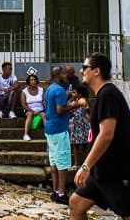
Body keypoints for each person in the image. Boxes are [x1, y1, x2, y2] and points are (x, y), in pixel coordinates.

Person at [70, 53, 130, 220]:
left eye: (85, 68)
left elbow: (106, 134)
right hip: (101, 171)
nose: (81, 71)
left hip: (118, 170)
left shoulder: (108, 94)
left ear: (96, 71)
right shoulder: (102, 95)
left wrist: (85, 166)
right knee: (76, 203)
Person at [44, 66, 71, 205]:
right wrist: (74, 105)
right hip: (59, 129)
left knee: (54, 161)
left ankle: (55, 191)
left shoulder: (49, 88)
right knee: (62, 162)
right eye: (64, 74)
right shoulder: (60, 90)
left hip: (49, 128)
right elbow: (60, 110)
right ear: (59, 75)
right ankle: (61, 193)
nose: (66, 76)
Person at [69, 84, 90, 167]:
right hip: (74, 126)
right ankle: (76, 163)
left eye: (74, 92)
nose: (72, 94)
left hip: (82, 125)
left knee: (82, 145)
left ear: (79, 94)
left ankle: (85, 163)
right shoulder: (73, 101)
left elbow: (87, 111)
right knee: (74, 145)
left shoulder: (82, 101)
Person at [20, 73, 45, 141]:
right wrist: (32, 111)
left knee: (44, 115)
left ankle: (48, 133)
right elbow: (23, 104)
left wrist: (42, 110)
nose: (33, 81)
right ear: (28, 82)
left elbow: (44, 101)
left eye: (34, 80)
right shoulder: (24, 92)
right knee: (30, 114)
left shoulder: (41, 90)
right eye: (31, 80)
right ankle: (26, 134)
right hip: (29, 110)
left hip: (41, 110)